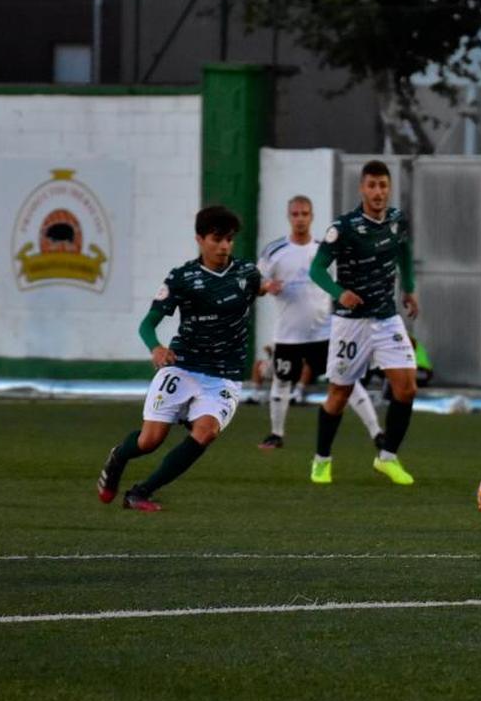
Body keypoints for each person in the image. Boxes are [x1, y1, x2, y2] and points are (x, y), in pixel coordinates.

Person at [96, 206, 262, 511]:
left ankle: (140, 493)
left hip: (224, 375)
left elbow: (259, 289)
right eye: (217, 238)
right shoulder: (182, 277)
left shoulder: (247, 273)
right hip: (183, 368)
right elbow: (148, 323)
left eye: (229, 239)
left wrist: (273, 286)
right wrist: (156, 348)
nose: (224, 246)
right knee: (150, 441)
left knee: (206, 431)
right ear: (199, 239)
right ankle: (118, 456)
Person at [307, 160, 419, 486]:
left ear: (389, 188)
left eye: (383, 185)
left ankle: (387, 458)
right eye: (372, 185)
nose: (378, 192)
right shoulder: (343, 228)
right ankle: (321, 460)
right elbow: (316, 269)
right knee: (339, 393)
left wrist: (409, 289)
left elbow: (405, 253)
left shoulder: (397, 220)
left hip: (386, 318)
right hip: (351, 323)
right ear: (362, 188)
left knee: (407, 387)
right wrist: (338, 292)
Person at [256, 195, 381, 450]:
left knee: (347, 379)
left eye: (304, 214)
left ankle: (378, 432)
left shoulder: (323, 250)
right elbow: (255, 285)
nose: (300, 219)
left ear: (311, 217)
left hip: (324, 333)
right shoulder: (274, 251)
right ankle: (276, 434)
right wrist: (266, 286)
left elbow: (339, 283)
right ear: (289, 217)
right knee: (281, 380)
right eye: (295, 214)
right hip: (289, 333)